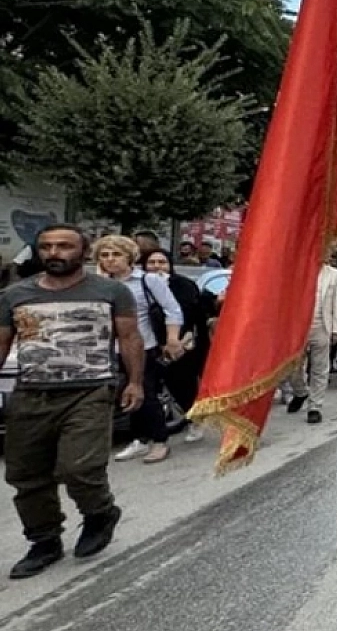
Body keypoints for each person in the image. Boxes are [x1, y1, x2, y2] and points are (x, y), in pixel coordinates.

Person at [1, 226, 143, 578]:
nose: (55, 253)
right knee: (26, 474)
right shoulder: (14, 295)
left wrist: (135, 382)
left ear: (83, 252)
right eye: (47, 246)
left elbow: (129, 337)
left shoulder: (111, 291)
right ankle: (44, 540)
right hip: (31, 393)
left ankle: (100, 512)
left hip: (90, 391)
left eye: (65, 246)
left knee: (78, 467)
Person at [96, 235, 185, 464]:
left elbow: (172, 310)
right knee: (121, 395)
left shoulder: (148, 281)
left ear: (129, 257)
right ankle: (138, 439)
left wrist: (173, 339)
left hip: (143, 346)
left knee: (145, 394)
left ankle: (159, 440)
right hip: (108, 348)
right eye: (104, 255)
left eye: (116, 254)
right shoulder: (98, 285)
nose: (110, 260)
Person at [140, 248, 211, 443]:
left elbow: (190, 312)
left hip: (183, 342)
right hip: (150, 342)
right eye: (152, 263)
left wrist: (178, 339)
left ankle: (195, 418)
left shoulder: (183, 285)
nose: (157, 267)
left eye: (161, 262)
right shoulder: (140, 285)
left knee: (183, 382)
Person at [285, 260, 337, 425]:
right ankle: (301, 392)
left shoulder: (335, 274)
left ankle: (315, 407)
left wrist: (336, 329)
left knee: (320, 368)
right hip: (298, 327)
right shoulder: (295, 271)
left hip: (322, 326)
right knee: (292, 368)